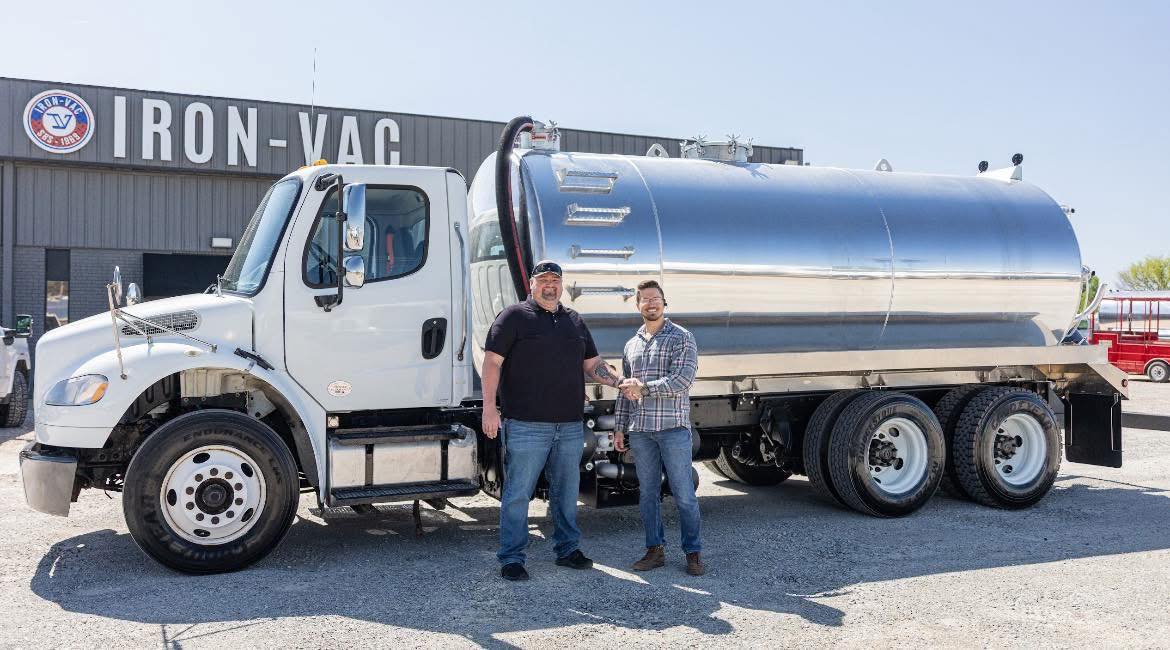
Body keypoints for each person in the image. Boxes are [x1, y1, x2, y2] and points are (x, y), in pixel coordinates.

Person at [481, 260, 626, 581]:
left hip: (570, 426)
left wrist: (620, 381)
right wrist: (489, 408)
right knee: (518, 493)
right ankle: (512, 558)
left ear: (561, 285)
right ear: (531, 285)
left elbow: (594, 365)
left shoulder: (574, 321)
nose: (550, 285)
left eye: (555, 280)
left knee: (565, 491)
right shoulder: (514, 316)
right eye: (543, 279)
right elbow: (492, 362)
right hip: (526, 425)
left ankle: (567, 550)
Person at [614, 279, 704, 576]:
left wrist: (645, 389)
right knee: (647, 494)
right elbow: (626, 390)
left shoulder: (682, 337)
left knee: (684, 494)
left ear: (665, 303)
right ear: (637, 305)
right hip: (641, 431)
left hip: (673, 429)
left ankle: (693, 553)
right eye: (645, 299)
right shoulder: (631, 344)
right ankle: (655, 551)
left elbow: (683, 381)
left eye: (656, 298)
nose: (651, 303)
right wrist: (619, 428)